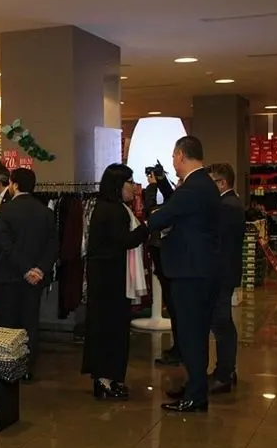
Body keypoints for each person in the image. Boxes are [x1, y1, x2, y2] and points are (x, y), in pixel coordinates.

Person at [147, 136, 220, 413]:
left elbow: (161, 217)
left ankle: (196, 394)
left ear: (180, 155)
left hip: (190, 272)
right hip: (201, 269)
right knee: (196, 332)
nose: (173, 162)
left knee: (191, 334)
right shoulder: (205, 184)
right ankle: (194, 386)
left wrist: (149, 207)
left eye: (173, 157)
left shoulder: (192, 187)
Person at [82, 164, 149, 400]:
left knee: (110, 328)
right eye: (129, 182)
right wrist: (146, 228)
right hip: (110, 280)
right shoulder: (113, 210)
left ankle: (109, 378)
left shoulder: (109, 207)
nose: (134, 187)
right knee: (110, 329)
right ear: (118, 184)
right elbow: (124, 241)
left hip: (107, 278)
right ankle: (105, 380)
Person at [0, 168, 59, 380]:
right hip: (35, 279)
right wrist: (39, 269)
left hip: (9, 276)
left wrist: (25, 269)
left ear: (14, 184)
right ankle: (28, 368)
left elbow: (5, 245)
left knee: (8, 324)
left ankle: (8, 367)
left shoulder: (5, 211)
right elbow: (53, 245)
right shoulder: (45, 212)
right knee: (30, 322)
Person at [207, 163, 246, 394]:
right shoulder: (231, 203)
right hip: (226, 271)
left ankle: (224, 373)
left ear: (222, 183)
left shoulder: (227, 206)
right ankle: (226, 370)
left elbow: (219, 242)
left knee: (221, 323)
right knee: (223, 322)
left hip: (222, 273)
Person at [143, 169, 181, 366]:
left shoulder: (178, 205)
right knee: (175, 307)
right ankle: (180, 348)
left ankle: (180, 350)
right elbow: (170, 197)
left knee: (175, 306)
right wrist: (160, 180)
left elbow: (153, 214)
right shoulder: (179, 200)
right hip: (168, 259)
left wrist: (152, 187)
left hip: (167, 260)